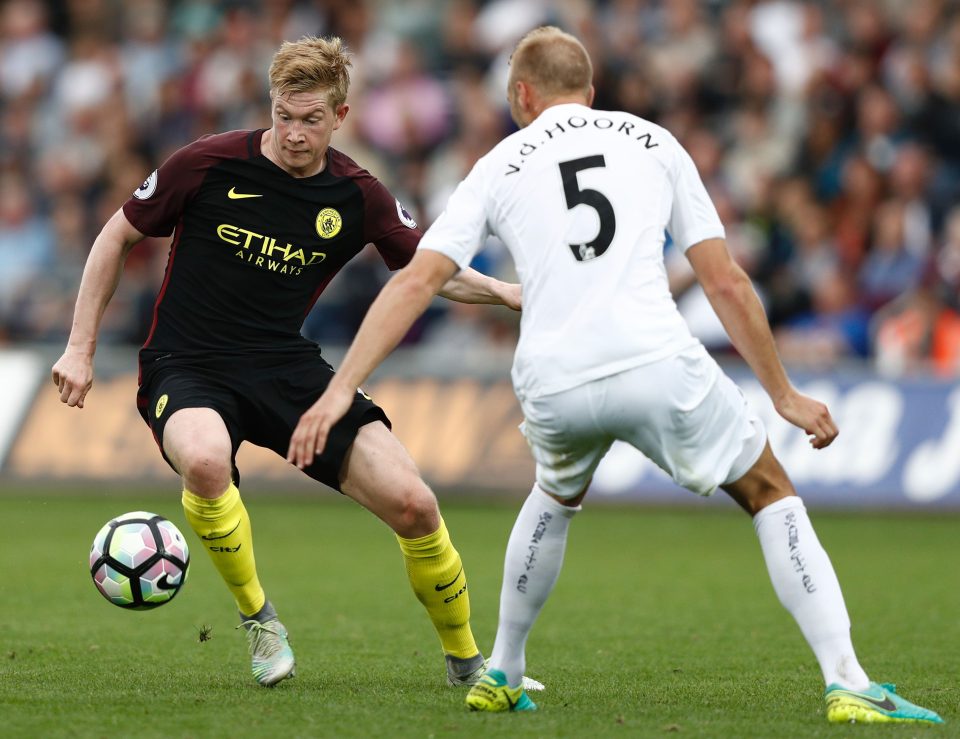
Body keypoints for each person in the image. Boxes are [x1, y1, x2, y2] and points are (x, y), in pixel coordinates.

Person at [297, 27, 944, 725]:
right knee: (768, 489)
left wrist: (340, 387)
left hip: (553, 375)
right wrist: (782, 391)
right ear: (591, 93)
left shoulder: (497, 163)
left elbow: (419, 279)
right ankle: (847, 679)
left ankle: (504, 669)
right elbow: (723, 279)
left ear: (521, 94)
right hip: (654, 359)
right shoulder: (653, 141)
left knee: (553, 492)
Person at [52, 35, 527, 690]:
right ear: (269, 107)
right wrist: (79, 346)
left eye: (310, 120)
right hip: (186, 363)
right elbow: (116, 235)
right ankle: (259, 619)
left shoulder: (358, 195)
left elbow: (429, 272)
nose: (294, 134)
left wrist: (504, 292)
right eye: (283, 116)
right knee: (208, 460)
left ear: (340, 117)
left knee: (415, 503)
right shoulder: (207, 163)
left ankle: (468, 662)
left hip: (286, 367)